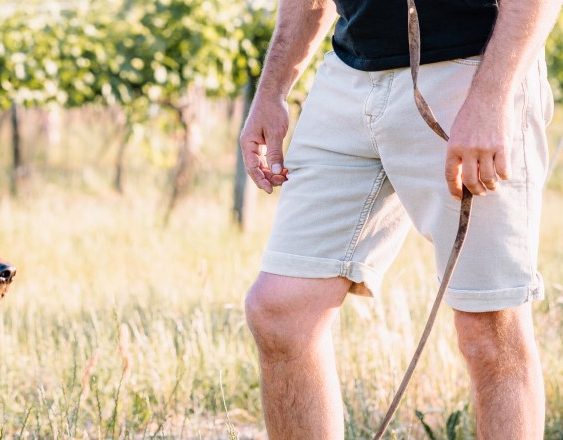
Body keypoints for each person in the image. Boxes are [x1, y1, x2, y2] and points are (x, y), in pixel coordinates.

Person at [240, 0, 561, 438]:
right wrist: (272, 89)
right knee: (281, 308)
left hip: (470, 69)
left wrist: (492, 98)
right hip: (348, 75)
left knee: (489, 330)